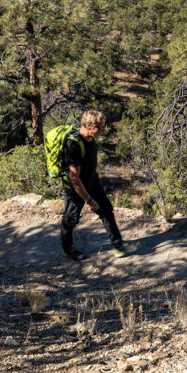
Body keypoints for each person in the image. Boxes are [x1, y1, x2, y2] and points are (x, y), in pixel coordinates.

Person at [60, 110, 132, 260]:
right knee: (70, 219)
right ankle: (68, 249)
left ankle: (118, 244)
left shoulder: (91, 139)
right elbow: (74, 178)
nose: (102, 131)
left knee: (106, 210)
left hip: (92, 181)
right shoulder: (73, 145)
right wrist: (88, 200)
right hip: (76, 188)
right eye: (100, 128)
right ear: (87, 126)